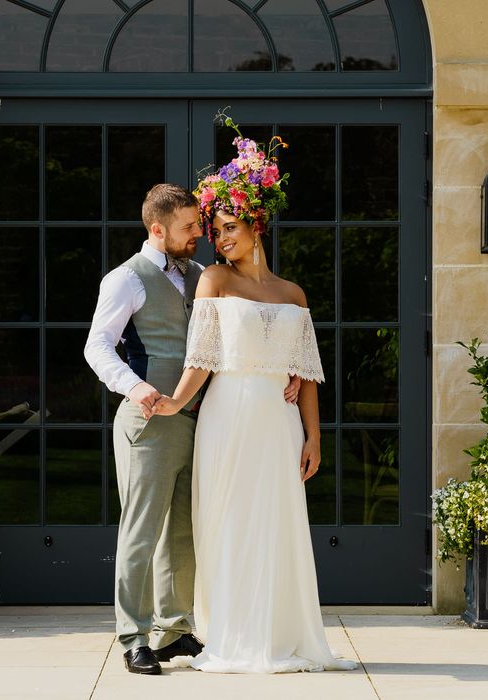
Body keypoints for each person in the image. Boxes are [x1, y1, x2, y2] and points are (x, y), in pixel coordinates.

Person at [152, 127, 357, 673]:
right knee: (230, 523)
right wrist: (174, 402)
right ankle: (232, 635)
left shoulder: (293, 294)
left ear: (256, 224)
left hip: (279, 419)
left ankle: (280, 634)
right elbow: (202, 357)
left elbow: (306, 373)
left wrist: (314, 435)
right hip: (229, 415)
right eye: (215, 232)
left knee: (278, 525)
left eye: (229, 229)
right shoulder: (214, 280)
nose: (220, 240)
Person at [84, 183, 301, 675]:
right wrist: (134, 387)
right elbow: (97, 346)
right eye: (188, 228)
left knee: (183, 532)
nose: (198, 236)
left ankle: (174, 630)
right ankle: (133, 636)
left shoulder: (203, 274)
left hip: (200, 421)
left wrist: (281, 369)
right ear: (157, 229)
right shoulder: (126, 279)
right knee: (141, 531)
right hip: (148, 422)